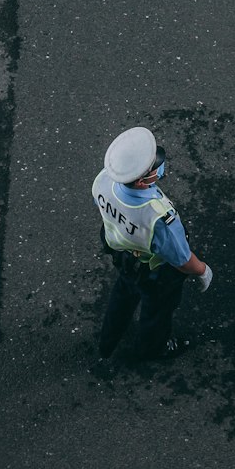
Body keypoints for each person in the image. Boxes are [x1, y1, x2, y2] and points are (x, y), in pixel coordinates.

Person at [92, 126, 213, 360]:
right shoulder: (159, 218)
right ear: (141, 181)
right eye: (153, 166)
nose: (159, 162)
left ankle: (108, 341)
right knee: (156, 311)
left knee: (123, 295)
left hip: (123, 256)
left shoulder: (103, 180)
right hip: (154, 272)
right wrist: (202, 270)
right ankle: (151, 349)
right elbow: (181, 259)